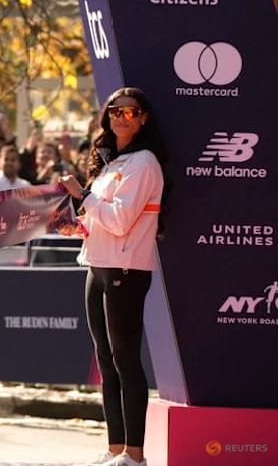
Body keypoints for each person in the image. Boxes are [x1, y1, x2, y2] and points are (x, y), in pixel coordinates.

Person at [59, 87, 167, 466]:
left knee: (125, 360)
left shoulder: (145, 163)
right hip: (97, 264)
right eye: (115, 111)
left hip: (127, 268)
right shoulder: (110, 162)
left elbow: (120, 220)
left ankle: (135, 456)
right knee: (105, 360)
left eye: (130, 111)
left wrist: (82, 196)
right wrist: (80, 225)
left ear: (143, 118)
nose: (121, 117)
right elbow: (102, 219)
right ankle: (115, 449)